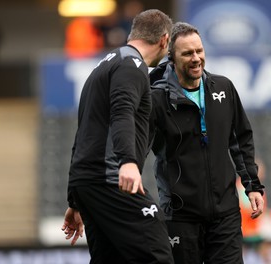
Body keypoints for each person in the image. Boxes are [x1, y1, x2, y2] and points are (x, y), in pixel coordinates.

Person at [61, 9, 174, 263]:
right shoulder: (131, 65)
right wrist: (128, 162)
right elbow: (121, 111)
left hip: (89, 181)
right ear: (164, 40)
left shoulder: (106, 63)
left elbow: (84, 133)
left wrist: (75, 197)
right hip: (110, 179)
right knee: (157, 252)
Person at [149, 22, 265, 264]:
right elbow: (137, 147)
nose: (196, 58)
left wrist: (252, 185)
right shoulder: (156, 99)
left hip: (225, 214)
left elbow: (241, 138)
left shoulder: (223, 88)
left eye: (199, 51)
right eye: (187, 53)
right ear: (172, 57)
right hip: (181, 216)